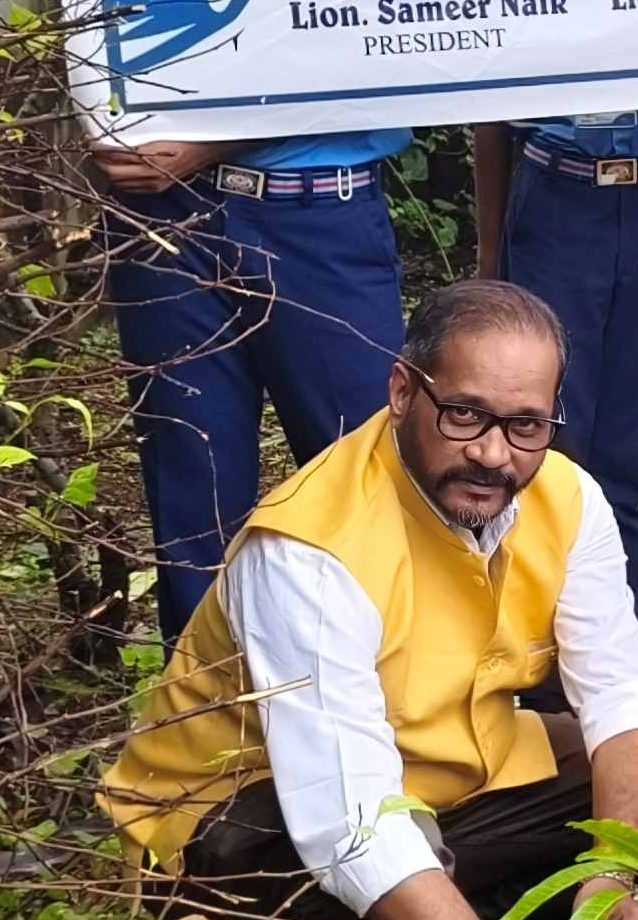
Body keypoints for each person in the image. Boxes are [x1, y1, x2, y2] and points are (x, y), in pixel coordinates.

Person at [101, 281, 638, 920]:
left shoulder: (566, 501)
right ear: (402, 393)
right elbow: (349, 832)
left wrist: (614, 878)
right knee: (377, 838)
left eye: (526, 426)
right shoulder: (310, 547)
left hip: (435, 774)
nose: (495, 454)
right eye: (465, 415)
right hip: (233, 829)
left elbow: (624, 698)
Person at [94, 116, 411, 642]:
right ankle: (207, 712)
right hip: (167, 215)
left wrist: (215, 142)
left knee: (366, 474)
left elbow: (382, 57)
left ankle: (397, 701)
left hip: (321, 214)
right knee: (192, 486)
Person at [475, 108, 638, 620]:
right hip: (558, 192)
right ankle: (528, 656)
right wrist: (489, 258)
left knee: (626, 450)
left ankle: (622, 659)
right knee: (542, 439)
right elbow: (487, 108)